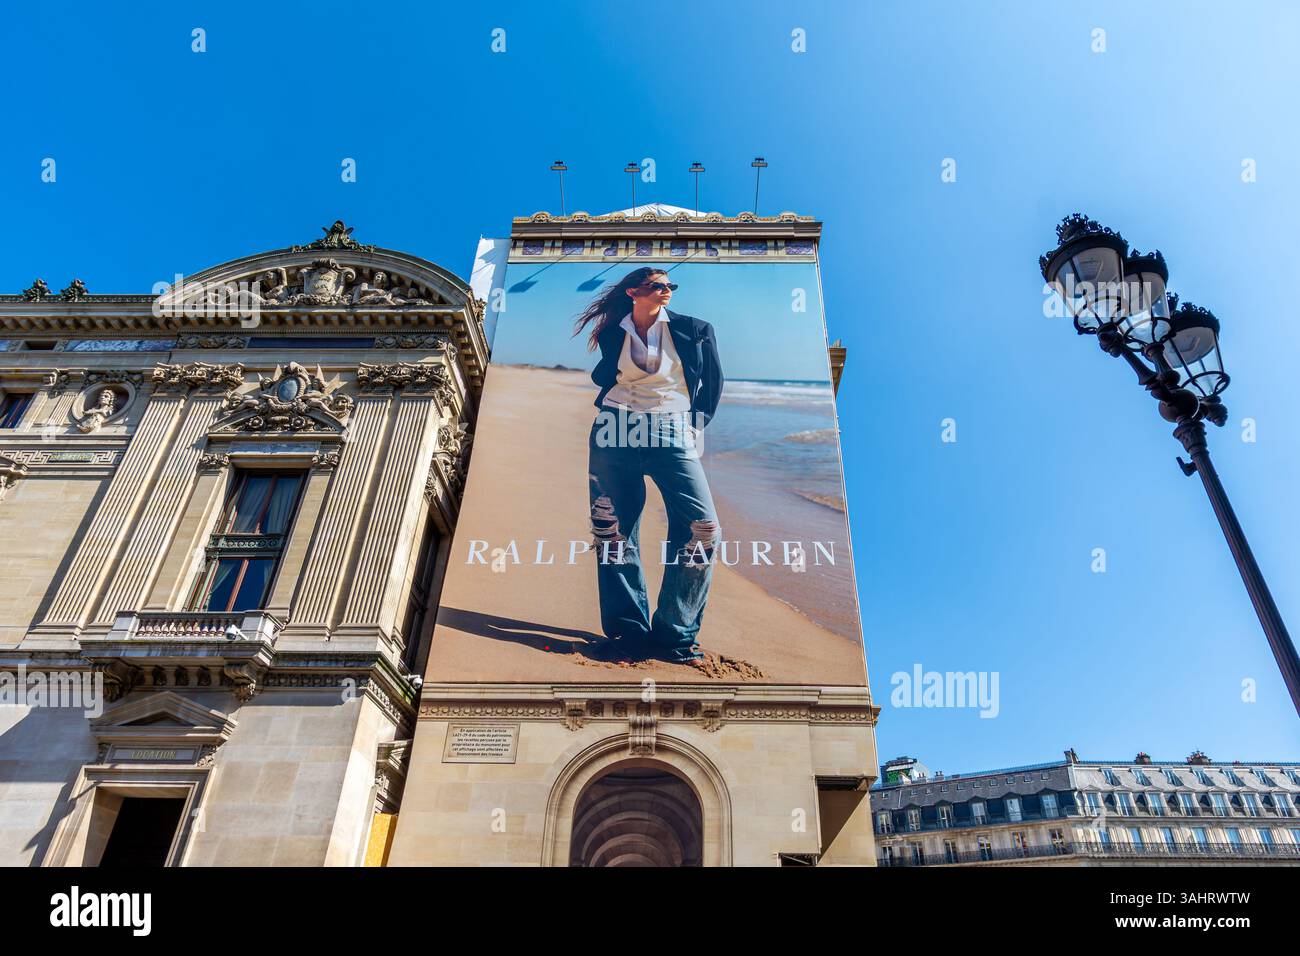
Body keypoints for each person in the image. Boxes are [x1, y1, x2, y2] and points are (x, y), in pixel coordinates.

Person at [573, 267, 724, 664]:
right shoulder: (613, 331)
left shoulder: (695, 328)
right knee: (613, 531)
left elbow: (712, 382)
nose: (667, 291)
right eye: (658, 286)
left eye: (669, 286)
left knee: (703, 529)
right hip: (613, 427)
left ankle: (675, 634)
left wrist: (694, 427)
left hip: (672, 428)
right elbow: (608, 374)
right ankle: (629, 632)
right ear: (633, 292)